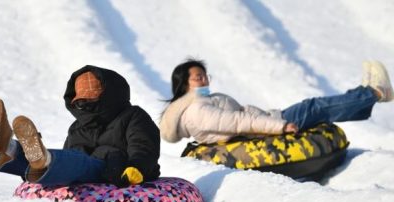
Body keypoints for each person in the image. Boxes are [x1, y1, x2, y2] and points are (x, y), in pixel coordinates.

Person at [0, 65, 160, 187]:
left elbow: (144, 146)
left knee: (77, 162)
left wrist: (137, 166)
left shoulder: (132, 116)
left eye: (91, 99)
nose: (84, 105)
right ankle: (10, 148)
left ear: (110, 95)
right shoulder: (78, 126)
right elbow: (68, 154)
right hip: (79, 173)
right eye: (81, 101)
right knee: (60, 161)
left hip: (115, 172)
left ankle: (42, 158)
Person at [160, 59, 393, 145]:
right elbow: (239, 121)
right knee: (316, 107)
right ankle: (376, 92)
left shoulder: (200, 104)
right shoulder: (196, 110)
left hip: (270, 120)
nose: (204, 80)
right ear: (184, 85)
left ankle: (365, 93)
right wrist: (280, 126)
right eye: (198, 77)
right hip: (269, 127)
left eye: (205, 76)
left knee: (317, 107)